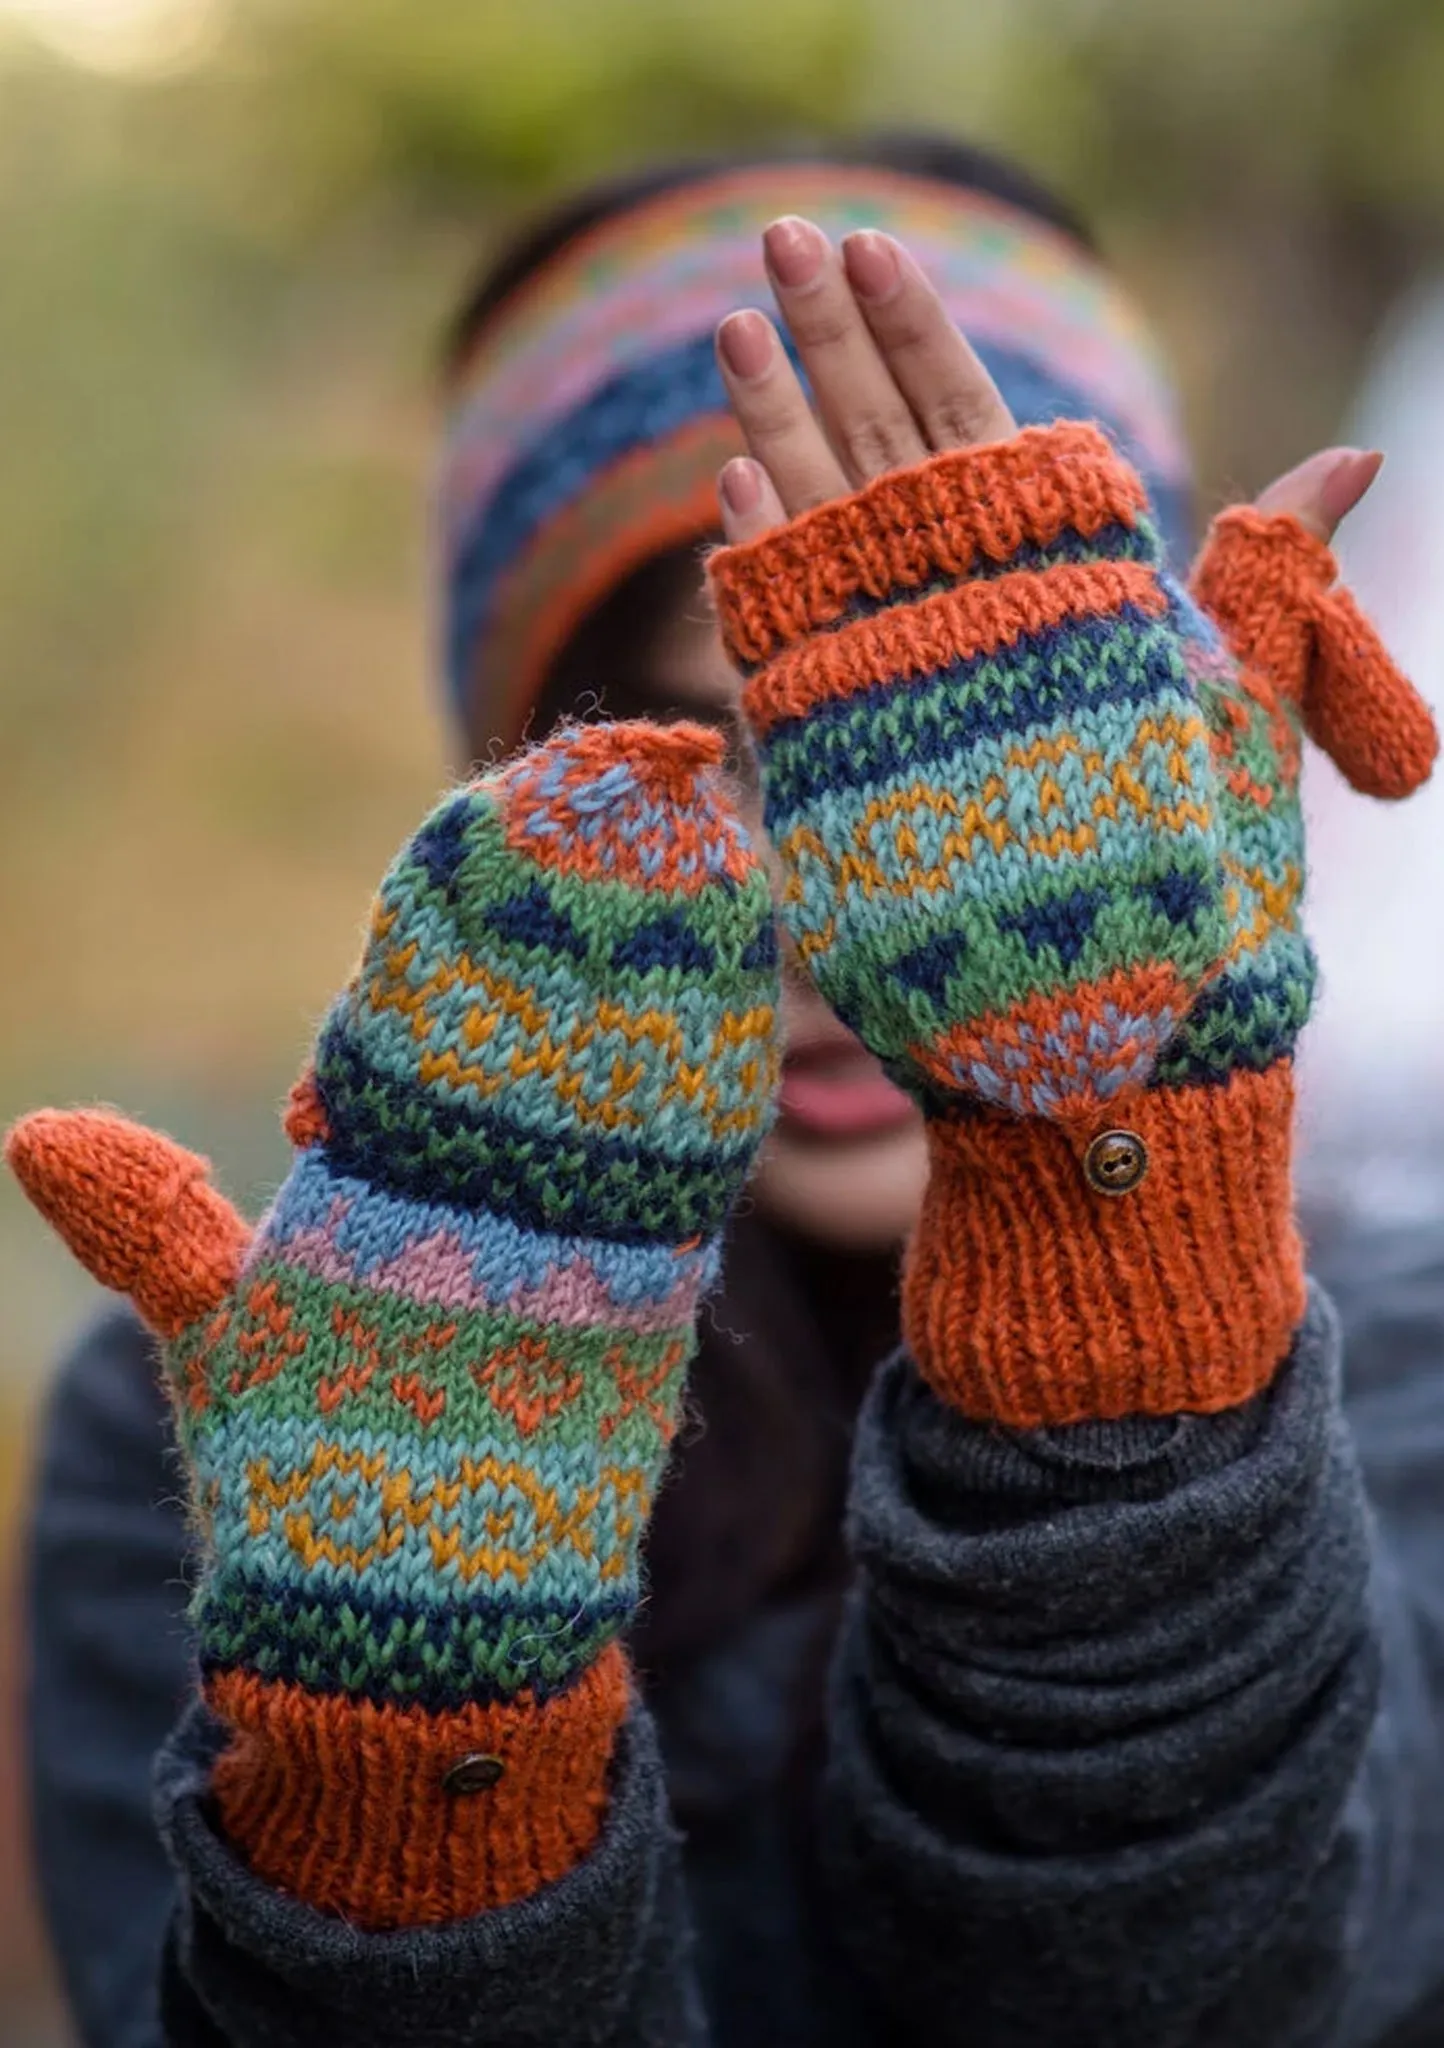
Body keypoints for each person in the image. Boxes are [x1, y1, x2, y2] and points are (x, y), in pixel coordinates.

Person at [14, 136, 1444, 2048]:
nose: (803, 914)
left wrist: (1122, 1254)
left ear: (1173, 762)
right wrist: (413, 1780)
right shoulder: (240, 1412)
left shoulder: (1409, 1342)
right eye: (701, 770)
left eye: (912, 760)